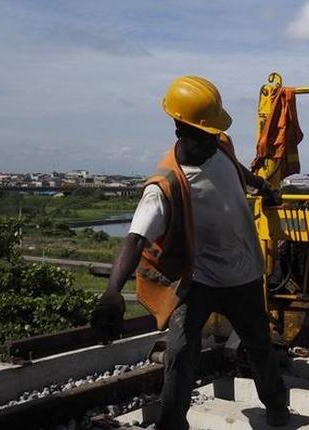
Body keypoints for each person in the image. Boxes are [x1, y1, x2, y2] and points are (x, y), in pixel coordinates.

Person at [89, 76, 290, 429]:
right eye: (208, 134)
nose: (216, 139)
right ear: (183, 130)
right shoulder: (165, 183)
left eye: (216, 133)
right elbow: (135, 239)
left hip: (243, 273)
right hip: (198, 280)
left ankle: (277, 409)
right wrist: (111, 292)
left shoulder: (220, 144)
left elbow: (237, 169)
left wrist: (263, 186)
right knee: (180, 353)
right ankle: (171, 424)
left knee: (260, 345)